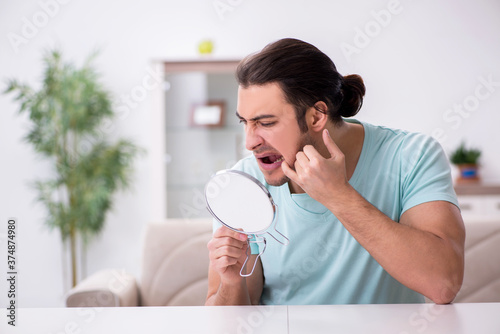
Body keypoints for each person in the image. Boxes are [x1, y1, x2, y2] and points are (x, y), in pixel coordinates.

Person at [205, 38, 465, 306]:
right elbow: (225, 319)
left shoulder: (411, 156)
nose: (250, 142)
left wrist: (338, 195)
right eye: (244, 122)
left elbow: (444, 285)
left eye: (266, 122)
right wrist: (231, 282)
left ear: (316, 116)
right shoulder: (245, 182)